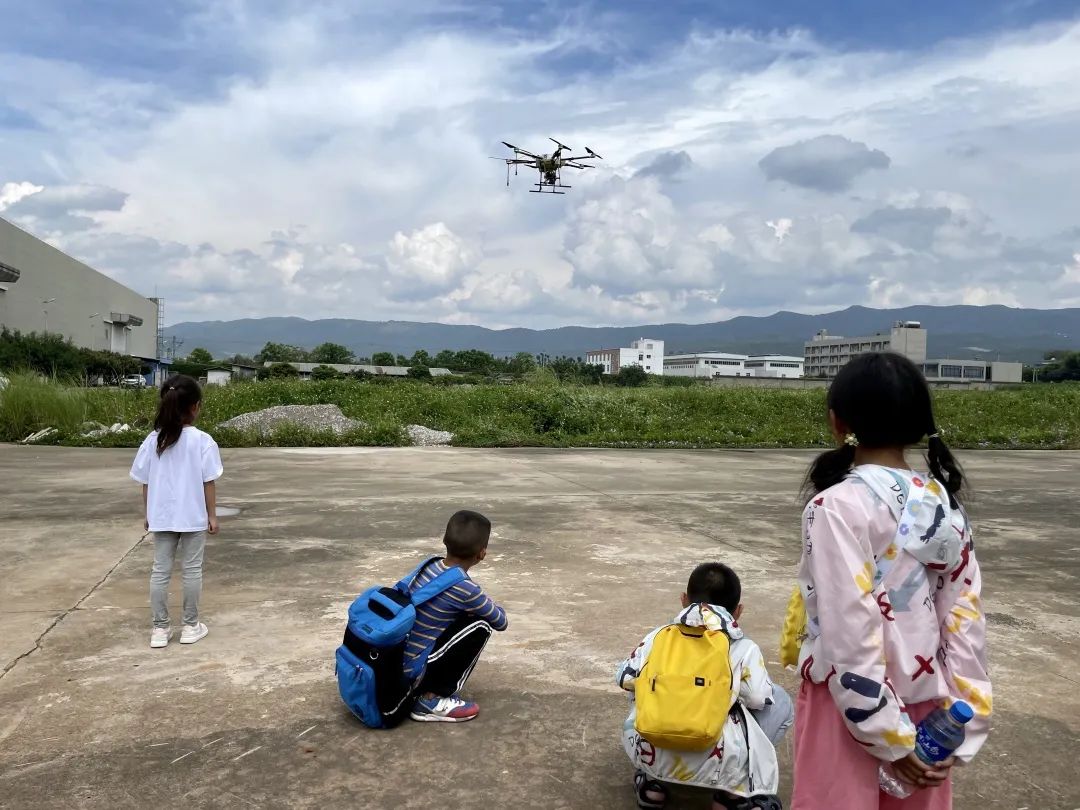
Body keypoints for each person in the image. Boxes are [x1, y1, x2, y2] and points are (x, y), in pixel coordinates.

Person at [790, 352, 991, 809]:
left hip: (852, 708)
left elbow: (851, 631)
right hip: (931, 712)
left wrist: (889, 736)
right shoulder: (945, 506)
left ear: (837, 423)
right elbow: (965, 619)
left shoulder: (836, 507)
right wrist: (962, 722)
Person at [617, 562, 793, 810]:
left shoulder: (658, 636)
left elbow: (624, 679)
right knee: (780, 700)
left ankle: (652, 782)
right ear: (738, 611)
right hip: (716, 760)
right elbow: (756, 698)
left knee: (643, 685)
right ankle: (731, 794)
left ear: (683, 599)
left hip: (652, 751)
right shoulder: (743, 647)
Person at [130, 374, 223, 649]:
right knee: (192, 570)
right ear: (195, 406)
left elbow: (145, 481)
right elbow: (209, 482)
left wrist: (148, 513)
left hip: (161, 517)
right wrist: (212, 515)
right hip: (193, 517)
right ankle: (191, 626)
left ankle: (160, 629)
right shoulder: (202, 441)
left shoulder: (153, 440)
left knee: (160, 571)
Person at [404, 510, 508, 723]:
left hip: (398, 660)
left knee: (460, 614)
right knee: (481, 624)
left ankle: (427, 690)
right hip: (413, 674)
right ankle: (431, 699)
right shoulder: (465, 588)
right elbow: (501, 621)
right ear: (482, 553)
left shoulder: (429, 565)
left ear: (444, 541)